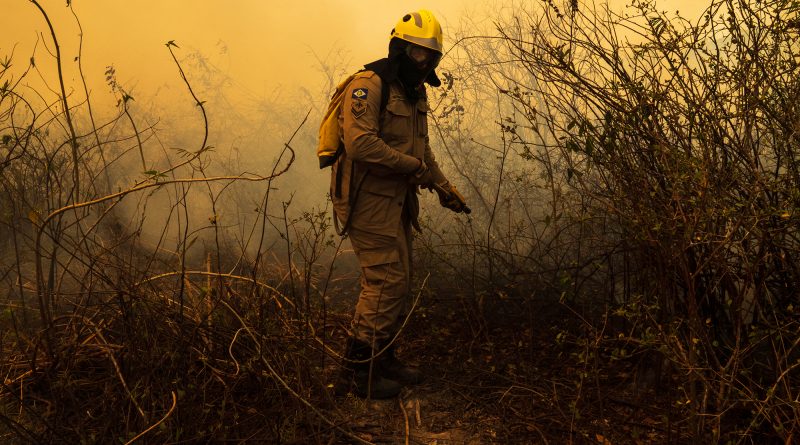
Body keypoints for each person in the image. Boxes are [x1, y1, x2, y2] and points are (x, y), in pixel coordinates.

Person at [331, 9, 468, 399]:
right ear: (399, 49)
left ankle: (384, 358)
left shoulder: (415, 91)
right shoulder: (368, 85)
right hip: (366, 199)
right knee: (384, 282)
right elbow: (360, 145)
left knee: (400, 278)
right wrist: (413, 168)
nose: (423, 62)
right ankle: (355, 374)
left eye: (429, 56)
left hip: (398, 200)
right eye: (416, 53)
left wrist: (444, 187)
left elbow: (422, 148)